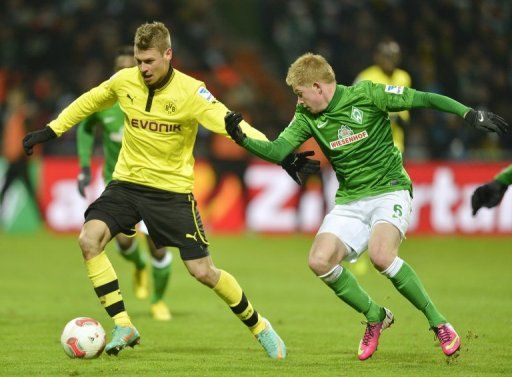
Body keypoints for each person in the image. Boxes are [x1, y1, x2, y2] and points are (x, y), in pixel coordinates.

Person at [22, 22, 319, 358]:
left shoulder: (193, 93)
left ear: (168, 54)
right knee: (89, 239)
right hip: (127, 184)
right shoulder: (124, 81)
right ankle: (123, 323)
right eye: (138, 60)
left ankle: (259, 326)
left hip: (172, 194)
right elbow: (87, 102)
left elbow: (235, 127)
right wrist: (51, 130)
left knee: (203, 272)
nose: (143, 68)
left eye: (149, 61)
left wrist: (281, 155)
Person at [225, 53, 509, 360]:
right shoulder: (306, 114)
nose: (300, 101)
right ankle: (375, 315)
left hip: (390, 190)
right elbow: (280, 148)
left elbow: (424, 99)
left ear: (318, 87)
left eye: (301, 94)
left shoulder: (368, 94)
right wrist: (243, 140)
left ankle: (439, 323)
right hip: (350, 200)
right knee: (319, 261)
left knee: (381, 255)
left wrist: (469, 114)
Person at [76, 46, 173, 321]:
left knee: (158, 245)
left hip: (155, 184)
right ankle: (138, 265)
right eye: (117, 68)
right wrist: (84, 166)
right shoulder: (105, 101)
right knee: (125, 245)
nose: (122, 73)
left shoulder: (156, 100)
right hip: (118, 184)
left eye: (128, 67)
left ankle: (158, 301)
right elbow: (84, 126)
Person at [354, 40, 411, 153]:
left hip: (396, 144)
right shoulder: (365, 78)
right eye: (387, 56)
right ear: (377, 57)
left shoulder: (403, 77)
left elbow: (404, 112)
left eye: (395, 55)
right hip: (371, 144)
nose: (391, 59)